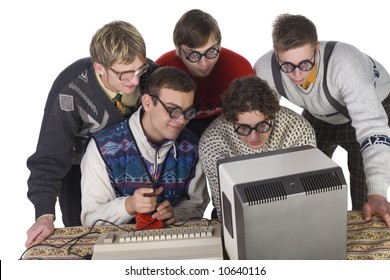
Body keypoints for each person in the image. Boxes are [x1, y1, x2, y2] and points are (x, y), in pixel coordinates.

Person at [25, 20, 159, 247]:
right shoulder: (70, 89)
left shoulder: (151, 75)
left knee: (142, 241)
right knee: (85, 243)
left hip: (138, 168)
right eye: (124, 74)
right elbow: (50, 156)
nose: (135, 80)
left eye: (139, 69)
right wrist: (44, 214)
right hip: (81, 171)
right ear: (99, 68)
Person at [253, 13, 390, 227]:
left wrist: (378, 194)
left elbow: (373, 128)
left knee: (366, 202)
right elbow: (259, 126)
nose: (297, 75)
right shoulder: (264, 70)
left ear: (317, 48)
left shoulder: (346, 66)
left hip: (371, 110)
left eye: (305, 64)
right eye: (287, 66)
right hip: (318, 113)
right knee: (305, 188)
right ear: (276, 52)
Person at [80, 66, 210, 226]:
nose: (182, 120)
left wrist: (175, 214)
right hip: (118, 247)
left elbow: (196, 203)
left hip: (172, 243)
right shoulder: (102, 148)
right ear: (147, 103)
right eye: (172, 110)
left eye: (188, 111)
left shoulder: (193, 147)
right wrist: (128, 206)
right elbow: (90, 220)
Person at [199, 76, 316, 219]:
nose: (254, 137)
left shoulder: (298, 129)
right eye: (243, 128)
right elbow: (224, 208)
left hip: (292, 210)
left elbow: (308, 194)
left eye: (262, 126)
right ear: (230, 121)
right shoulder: (211, 143)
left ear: (273, 115)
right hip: (239, 214)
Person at [156, 9, 254, 138]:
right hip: (178, 125)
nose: (204, 63)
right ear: (178, 51)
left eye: (211, 51)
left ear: (219, 46)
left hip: (224, 122)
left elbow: (252, 116)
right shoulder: (162, 71)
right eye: (193, 54)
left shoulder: (240, 69)